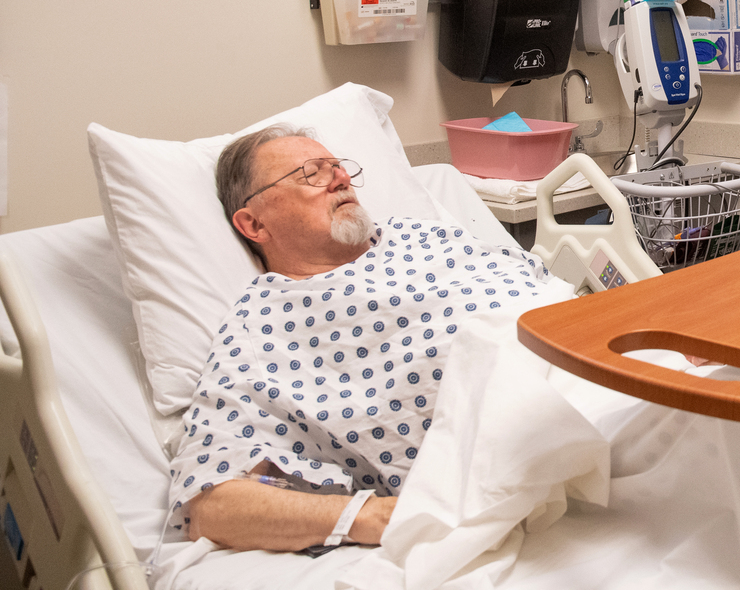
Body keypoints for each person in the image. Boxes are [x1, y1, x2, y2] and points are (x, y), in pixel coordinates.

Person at [167, 126, 572, 552]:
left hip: (604, 363)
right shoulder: (260, 328)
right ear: (253, 224)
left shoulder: (423, 235)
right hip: (529, 449)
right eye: (311, 174)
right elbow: (212, 504)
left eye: (338, 167)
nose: (340, 178)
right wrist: (375, 516)